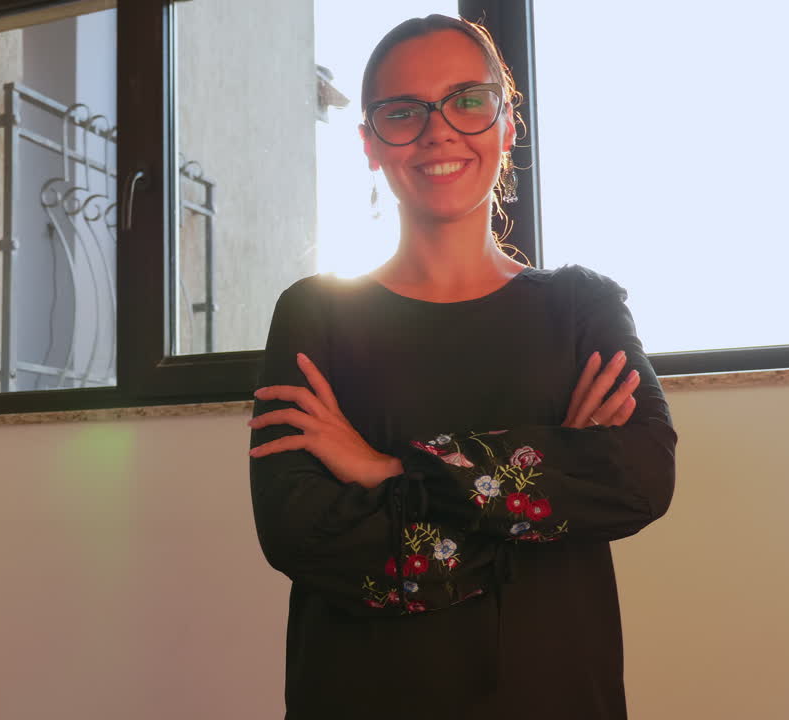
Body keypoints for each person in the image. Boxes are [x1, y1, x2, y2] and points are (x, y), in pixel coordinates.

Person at [247, 14, 676, 719]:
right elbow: (303, 534)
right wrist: (536, 504)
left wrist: (391, 474)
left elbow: (641, 477)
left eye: (467, 101)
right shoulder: (313, 314)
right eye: (402, 112)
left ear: (507, 124)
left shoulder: (581, 306)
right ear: (369, 144)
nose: (437, 131)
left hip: (557, 693)